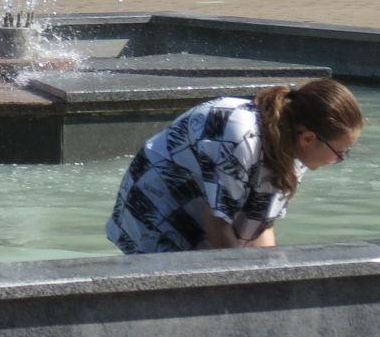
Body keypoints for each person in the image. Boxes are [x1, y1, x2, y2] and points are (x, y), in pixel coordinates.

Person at [106, 79, 364, 254]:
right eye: (339, 153)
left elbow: (259, 229)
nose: (339, 160)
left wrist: (275, 282)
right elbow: (218, 225)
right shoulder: (239, 137)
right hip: (154, 209)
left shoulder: (294, 153)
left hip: (202, 212)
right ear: (308, 139)